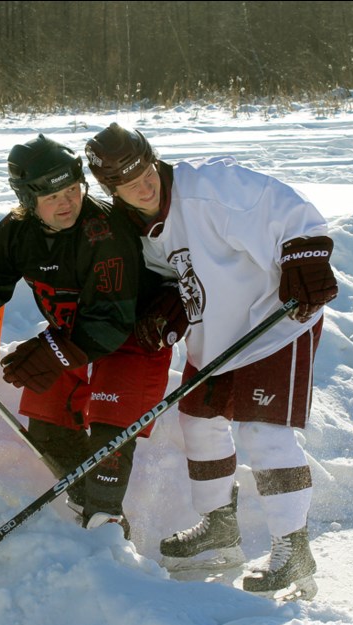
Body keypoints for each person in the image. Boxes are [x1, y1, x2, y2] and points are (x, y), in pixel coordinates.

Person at [84, 123, 338, 600]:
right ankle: (220, 528)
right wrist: (167, 307)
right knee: (198, 420)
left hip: (276, 320)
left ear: (153, 158)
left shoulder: (209, 188)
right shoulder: (137, 225)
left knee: (263, 430)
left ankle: (293, 549)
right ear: (109, 189)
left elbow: (289, 211)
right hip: (218, 336)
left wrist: (306, 256)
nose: (142, 186)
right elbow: (173, 276)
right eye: (126, 183)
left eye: (145, 172)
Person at [0, 133, 175, 538]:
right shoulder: (17, 231)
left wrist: (56, 350)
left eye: (73, 189)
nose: (67, 203)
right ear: (29, 201)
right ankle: (85, 500)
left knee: (108, 429)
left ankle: (106, 526)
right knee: (47, 420)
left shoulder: (103, 233)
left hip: (133, 334)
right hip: (72, 335)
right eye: (52, 197)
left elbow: (111, 321)